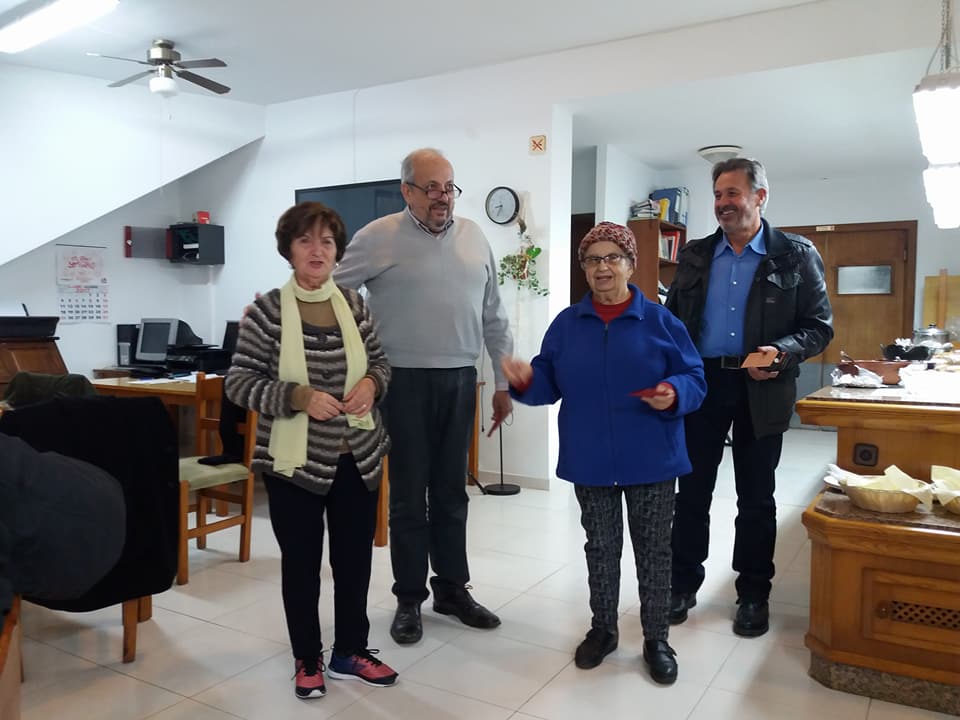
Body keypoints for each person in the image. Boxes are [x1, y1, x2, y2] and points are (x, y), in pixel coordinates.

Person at [501, 222, 706, 685]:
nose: (603, 267)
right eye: (593, 260)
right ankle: (604, 629)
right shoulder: (566, 325)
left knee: (653, 551)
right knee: (601, 548)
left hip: (652, 458)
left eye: (614, 257)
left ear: (631, 265)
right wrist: (524, 381)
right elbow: (547, 383)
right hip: (590, 458)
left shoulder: (661, 321)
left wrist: (674, 391)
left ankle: (656, 639)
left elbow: (695, 377)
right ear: (584, 269)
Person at [336, 148, 514, 645]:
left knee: (452, 492)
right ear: (407, 190)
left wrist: (503, 383)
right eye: (431, 187)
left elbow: (494, 314)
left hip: (460, 379)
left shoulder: (474, 236)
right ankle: (409, 597)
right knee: (409, 495)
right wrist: (358, 358)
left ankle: (452, 590)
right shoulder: (377, 236)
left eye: (449, 187)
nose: (442, 197)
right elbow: (334, 296)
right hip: (402, 382)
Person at [225, 202, 397, 699]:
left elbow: (381, 363)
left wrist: (371, 384)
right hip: (293, 462)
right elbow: (239, 383)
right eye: (305, 240)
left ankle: (350, 651)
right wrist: (298, 397)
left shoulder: (355, 305)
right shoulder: (267, 312)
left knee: (354, 562)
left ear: (338, 250)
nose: (317, 250)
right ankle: (307, 658)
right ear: (289, 250)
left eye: (326, 241)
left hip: (357, 455)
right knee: (301, 565)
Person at [665, 158, 833, 637]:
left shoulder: (795, 254)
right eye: (718, 195)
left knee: (756, 497)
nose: (723, 203)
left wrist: (781, 352)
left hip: (764, 386)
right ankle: (682, 584)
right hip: (702, 385)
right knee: (691, 492)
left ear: (760, 196)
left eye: (733, 193)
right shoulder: (696, 254)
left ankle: (754, 593)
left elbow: (819, 326)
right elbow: (671, 322)